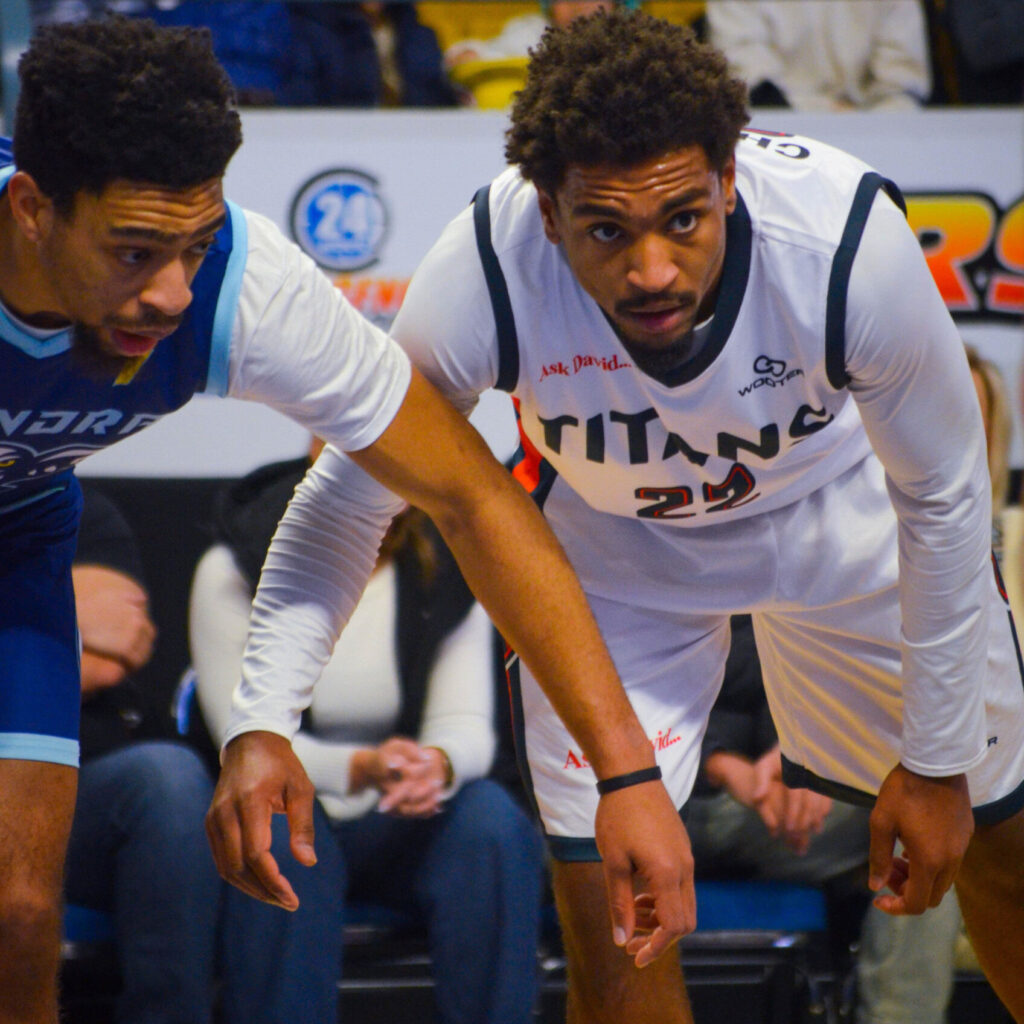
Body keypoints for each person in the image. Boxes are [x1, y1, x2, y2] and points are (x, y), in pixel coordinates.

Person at [212, 10, 1024, 1023]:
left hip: (842, 522)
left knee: (1000, 850)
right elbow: (348, 494)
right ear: (546, 216)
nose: (650, 268)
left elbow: (945, 500)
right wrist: (261, 719)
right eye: (606, 229)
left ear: (728, 181)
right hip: (621, 553)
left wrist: (942, 761)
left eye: (683, 218)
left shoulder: (844, 237)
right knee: (614, 923)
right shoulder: (485, 264)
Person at [0, 18, 648, 1023]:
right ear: (33, 209)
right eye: (134, 251)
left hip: (21, 530)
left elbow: (472, 496)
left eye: (194, 243)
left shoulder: (247, 288)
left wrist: (628, 773)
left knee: (17, 914)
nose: (170, 292)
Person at [188, 441, 545, 1024]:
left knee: (490, 820)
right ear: (315, 454)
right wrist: (363, 767)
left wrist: (434, 764)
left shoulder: (447, 563)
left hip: (396, 814)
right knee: (273, 824)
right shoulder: (232, 567)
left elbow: (465, 726)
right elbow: (244, 743)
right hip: (291, 805)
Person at [687, 615, 965, 1024]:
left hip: (777, 795)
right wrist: (724, 766)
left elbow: (823, 684)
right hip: (681, 802)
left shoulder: (789, 581)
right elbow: (641, 701)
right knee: (923, 821)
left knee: (930, 819)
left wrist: (811, 756)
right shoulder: (663, 570)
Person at [66, 481, 222, 1023]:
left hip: (86, 792)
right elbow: (89, 650)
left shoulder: (72, 506)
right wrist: (72, 632)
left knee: (172, 780)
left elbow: (116, 646)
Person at [705, 0, 932, 111]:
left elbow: (902, 84)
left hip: (875, 129)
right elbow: (750, 79)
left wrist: (871, 127)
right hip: (779, 125)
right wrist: (822, 111)